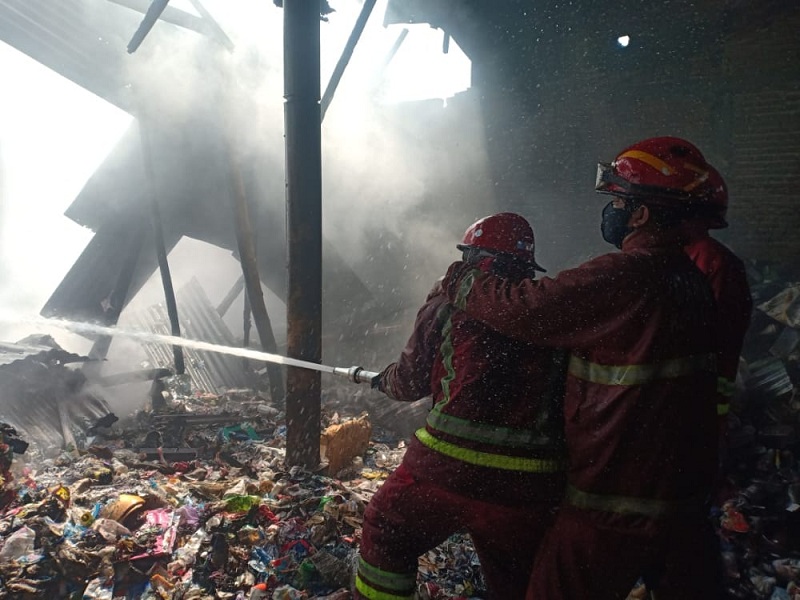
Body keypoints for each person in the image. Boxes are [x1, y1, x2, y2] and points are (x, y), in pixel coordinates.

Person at [440, 146, 722, 599]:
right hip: (681, 501)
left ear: (641, 214)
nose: (611, 212)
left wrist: (465, 280)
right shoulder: (688, 281)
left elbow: (527, 308)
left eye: (617, 203)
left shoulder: (627, 274)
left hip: (614, 498)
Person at [353, 213, 568, 600]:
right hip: (528, 486)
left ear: (475, 259)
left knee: (386, 529)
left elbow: (409, 381)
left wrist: (383, 380)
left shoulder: (449, 304)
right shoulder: (552, 314)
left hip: (445, 470)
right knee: (517, 575)